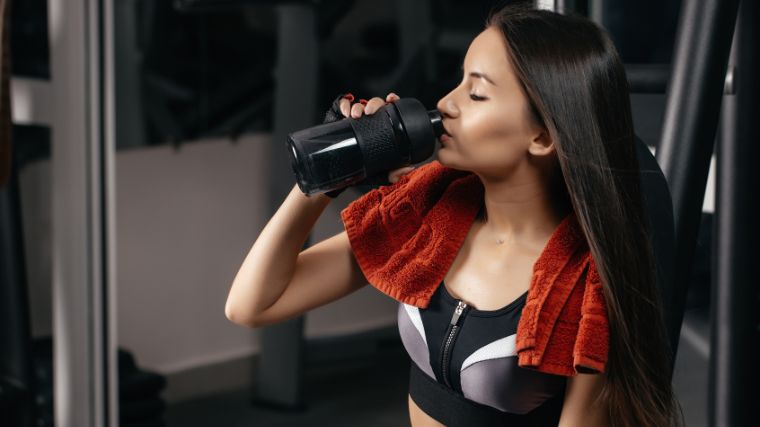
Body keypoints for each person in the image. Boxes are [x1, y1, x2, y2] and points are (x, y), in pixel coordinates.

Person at [225, 3, 683, 426]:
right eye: (460, 80)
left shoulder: (582, 282)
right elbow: (252, 304)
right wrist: (326, 174)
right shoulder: (427, 211)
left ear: (542, 136)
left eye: (477, 94)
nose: (446, 103)